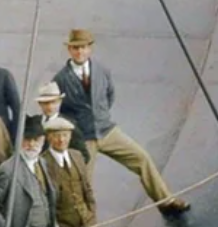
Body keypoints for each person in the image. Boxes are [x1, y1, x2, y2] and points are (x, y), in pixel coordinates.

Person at [53, 28, 190, 215]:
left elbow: (109, 97)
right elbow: (59, 112)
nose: (80, 52)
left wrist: (100, 117)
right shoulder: (60, 79)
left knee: (142, 158)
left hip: (107, 131)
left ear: (90, 48)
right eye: (75, 48)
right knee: (82, 183)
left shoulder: (102, 71)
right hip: (83, 138)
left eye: (83, 47)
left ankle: (166, 201)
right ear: (69, 50)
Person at [36, 81, 90, 162]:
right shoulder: (33, 123)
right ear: (40, 104)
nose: (50, 107)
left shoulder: (69, 124)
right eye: (46, 103)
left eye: (54, 102)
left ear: (60, 102)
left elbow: (84, 155)